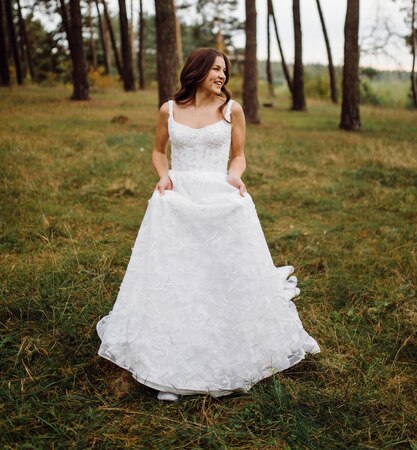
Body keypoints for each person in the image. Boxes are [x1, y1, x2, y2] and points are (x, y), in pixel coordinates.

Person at [96, 47, 320, 402]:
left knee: (221, 270)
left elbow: (239, 155)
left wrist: (234, 177)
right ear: (196, 70)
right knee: (177, 275)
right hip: (180, 194)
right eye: (216, 69)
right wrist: (163, 176)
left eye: (225, 71)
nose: (222, 76)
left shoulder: (232, 110)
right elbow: (158, 151)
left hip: (218, 192)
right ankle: (167, 368)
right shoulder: (169, 110)